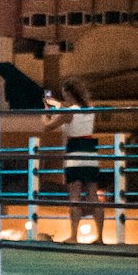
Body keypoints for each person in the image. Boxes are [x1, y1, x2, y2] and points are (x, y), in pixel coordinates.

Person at [54, 77, 106, 243]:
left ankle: (74, 236)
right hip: (90, 150)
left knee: (75, 194)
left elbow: (48, 126)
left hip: (75, 150)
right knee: (93, 194)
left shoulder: (69, 112)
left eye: (64, 94)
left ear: (69, 93)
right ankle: (100, 237)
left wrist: (47, 112)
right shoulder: (90, 109)